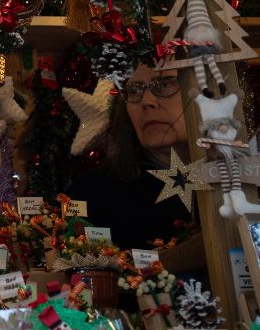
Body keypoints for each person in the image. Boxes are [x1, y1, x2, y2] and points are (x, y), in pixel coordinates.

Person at [69, 62, 205, 275]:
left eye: (166, 84)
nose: (147, 101)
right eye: (134, 90)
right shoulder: (92, 192)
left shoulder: (245, 182)